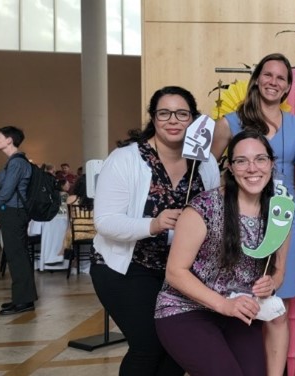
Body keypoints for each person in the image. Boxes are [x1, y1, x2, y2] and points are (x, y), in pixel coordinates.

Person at [91, 86, 220, 375]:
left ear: (192, 119)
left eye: (182, 113)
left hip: (178, 272)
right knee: (147, 345)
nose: (173, 120)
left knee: (178, 348)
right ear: (153, 117)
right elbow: (105, 221)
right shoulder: (126, 159)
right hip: (126, 268)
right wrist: (154, 223)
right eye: (164, 113)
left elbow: (213, 214)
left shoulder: (205, 163)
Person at [156, 130, 288, 376]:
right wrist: (224, 305)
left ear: (271, 163)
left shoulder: (279, 212)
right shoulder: (203, 207)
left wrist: (271, 283)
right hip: (186, 309)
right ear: (230, 166)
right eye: (242, 161)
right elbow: (175, 272)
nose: (252, 168)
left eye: (260, 159)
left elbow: (279, 270)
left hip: (238, 312)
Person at [210, 53, 295, 375]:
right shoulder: (231, 122)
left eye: (281, 77)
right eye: (268, 75)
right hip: (241, 221)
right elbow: (209, 169)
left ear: (289, 86)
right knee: (241, 299)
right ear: (257, 79)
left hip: (283, 222)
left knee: (277, 305)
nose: (273, 82)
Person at [0, 126, 37, 315]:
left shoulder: (17, 162)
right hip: (11, 211)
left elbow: (7, 192)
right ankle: (20, 298)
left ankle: (24, 301)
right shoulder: (15, 162)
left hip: (15, 213)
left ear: (9, 140)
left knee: (17, 256)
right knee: (15, 255)